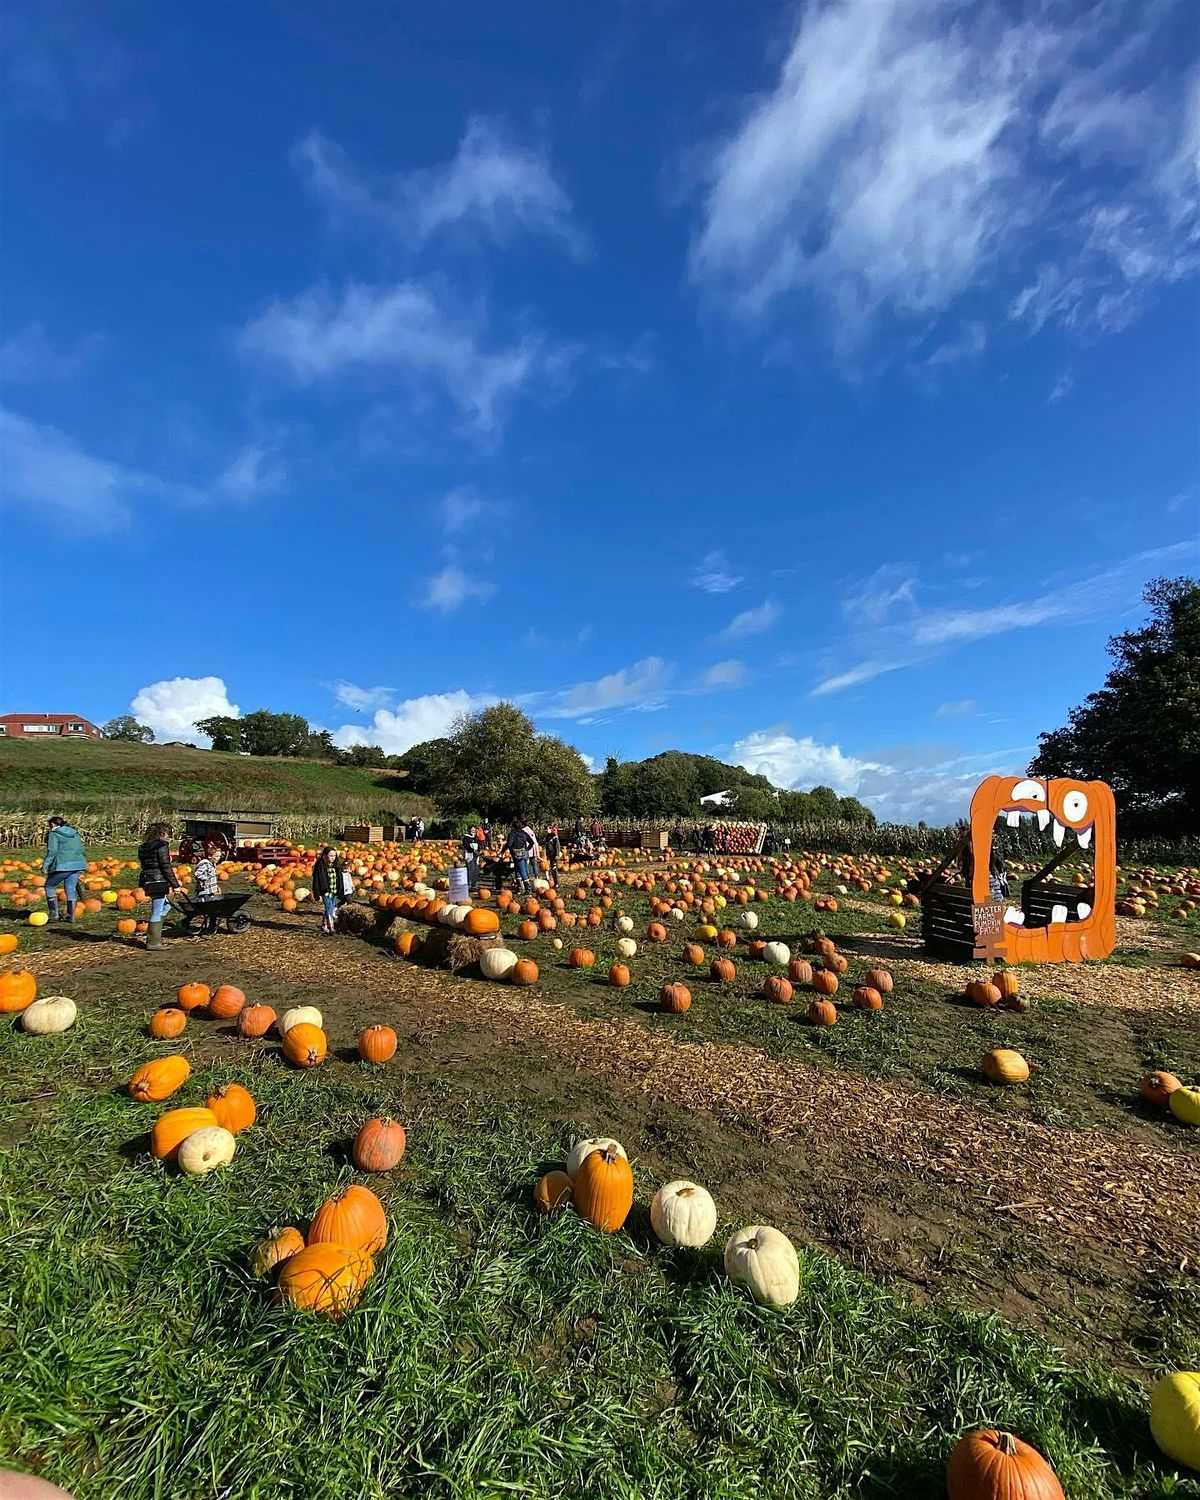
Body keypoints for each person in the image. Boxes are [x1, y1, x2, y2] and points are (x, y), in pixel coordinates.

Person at [138, 822, 182, 951]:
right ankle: (153, 942)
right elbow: (165, 866)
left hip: (148, 879)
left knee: (167, 905)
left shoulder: (144, 847)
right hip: (158, 880)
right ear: (162, 834)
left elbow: (145, 865)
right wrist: (175, 885)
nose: (168, 837)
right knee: (156, 910)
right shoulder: (162, 845)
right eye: (168, 834)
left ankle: (155, 936)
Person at [42, 815, 88, 923]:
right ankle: (70, 916)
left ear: (53, 824)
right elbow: (81, 848)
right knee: (70, 889)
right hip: (78, 864)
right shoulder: (74, 833)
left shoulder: (54, 833)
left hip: (63, 865)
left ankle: (54, 914)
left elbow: (52, 851)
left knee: (49, 886)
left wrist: (45, 866)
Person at [311, 845, 345, 935]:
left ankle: (324, 925)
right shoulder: (320, 866)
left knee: (329, 909)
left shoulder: (336, 866)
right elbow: (317, 880)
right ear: (325, 855)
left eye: (334, 856)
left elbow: (340, 879)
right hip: (325, 891)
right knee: (329, 908)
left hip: (334, 891)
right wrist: (316, 892)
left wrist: (341, 890)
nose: (332, 858)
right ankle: (331, 928)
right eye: (330, 856)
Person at [190, 842, 222, 936]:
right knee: (206, 909)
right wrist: (206, 879)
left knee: (213, 909)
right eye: (216, 856)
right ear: (210, 856)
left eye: (219, 856)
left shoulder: (212, 864)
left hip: (210, 891)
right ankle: (186, 922)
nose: (218, 858)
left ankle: (211, 926)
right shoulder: (204, 864)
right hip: (203, 892)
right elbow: (197, 874)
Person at [505, 820, 534, 894]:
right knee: (518, 869)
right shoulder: (524, 833)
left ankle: (528, 888)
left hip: (517, 854)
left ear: (513, 826)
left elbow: (509, 844)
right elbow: (532, 842)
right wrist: (527, 849)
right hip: (525, 852)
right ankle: (519, 887)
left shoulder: (512, 834)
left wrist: (507, 849)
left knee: (521, 869)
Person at [461, 825, 483, 895]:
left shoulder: (476, 837)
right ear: (468, 830)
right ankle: (469, 885)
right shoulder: (466, 838)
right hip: (469, 855)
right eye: (472, 830)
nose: (473, 831)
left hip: (476, 856)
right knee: (470, 869)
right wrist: (473, 850)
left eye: (474, 830)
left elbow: (480, 844)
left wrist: (479, 850)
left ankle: (474, 884)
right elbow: (466, 846)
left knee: (476, 870)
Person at [544, 823, 561, 888]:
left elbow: (557, 845)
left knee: (554, 869)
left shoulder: (554, 836)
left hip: (554, 854)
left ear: (550, 829)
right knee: (552, 869)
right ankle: (555, 881)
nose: (545, 830)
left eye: (547, 829)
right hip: (550, 855)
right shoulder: (547, 836)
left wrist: (557, 854)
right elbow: (547, 846)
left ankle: (557, 883)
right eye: (545, 829)